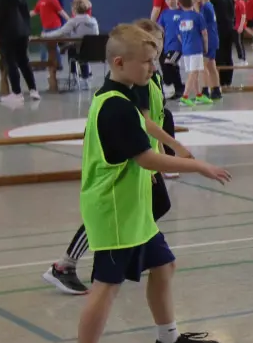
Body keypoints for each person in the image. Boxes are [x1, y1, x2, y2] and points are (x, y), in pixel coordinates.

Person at [62, 23, 232, 343]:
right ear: (120, 63)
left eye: (154, 61)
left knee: (164, 264)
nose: (153, 68)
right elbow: (146, 158)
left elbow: (145, 136)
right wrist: (197, 165)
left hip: (133, 209)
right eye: (147, 62)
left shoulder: (121, 97)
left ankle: (168, 341)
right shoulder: (115, 107)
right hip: (115, 212)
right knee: (106, 287)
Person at [44, 19, 185, 296]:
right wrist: (173, 149)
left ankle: (136, 249)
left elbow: (159, 117)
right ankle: (67, 263)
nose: (155, 54)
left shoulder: (151, 77)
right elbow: (145, 122)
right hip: (126, 168)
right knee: (123, 221)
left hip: (142, 163)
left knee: (157, 206)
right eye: (150, 50)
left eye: (157, 47)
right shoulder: (129, 89)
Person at [0, 0, 39, 105]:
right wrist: (27, 31)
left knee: (11, 62)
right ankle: (33, 90)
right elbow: (26, 15)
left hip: (8, 33)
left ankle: (17, 93)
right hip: (22, 32)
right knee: (24, 61)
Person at [42, 0, 101, 86]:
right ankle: (85, 77)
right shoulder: (94, 21)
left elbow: (59, 32)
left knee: (71, 49)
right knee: (78, 48)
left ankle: (74, 75)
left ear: (74, 9)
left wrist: (45, 35)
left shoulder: (74, 21)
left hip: (79, 51)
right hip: (95, 53)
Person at [175, 0, 208, 106]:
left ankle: (198, 95)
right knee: (193, 73)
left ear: (180, 4)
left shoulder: (179, 18)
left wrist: (184, 44)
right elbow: (204, 33)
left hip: (186, 49)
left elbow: (178, 35)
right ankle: (185, 96)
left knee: (194, 72)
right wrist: (206, 46)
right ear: (193, 2)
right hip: (196, 48)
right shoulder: (198, 16)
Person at [206, 0, 237, 92]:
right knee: (228, 54)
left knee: (219, 55)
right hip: (229, 28)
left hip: (218, 29)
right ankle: (227, 81)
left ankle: (219, 81)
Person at [194, 0, 222, 101]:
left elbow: (201, 23)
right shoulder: (209, 6)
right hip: (213, 39)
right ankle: (216, 90)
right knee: (211, 65)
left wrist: (196, 11)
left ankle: (205, 90)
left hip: (208, 40)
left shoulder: (205, 7)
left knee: (203, 66)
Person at [156, 0, 185, 100]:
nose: (170, 1)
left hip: (177, 45)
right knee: (172, 66)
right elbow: (160, 27)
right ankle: (179, 88)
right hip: (167, 45)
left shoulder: (183, 12)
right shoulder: (165, 13)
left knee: (168, 63)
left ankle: (169, 85)